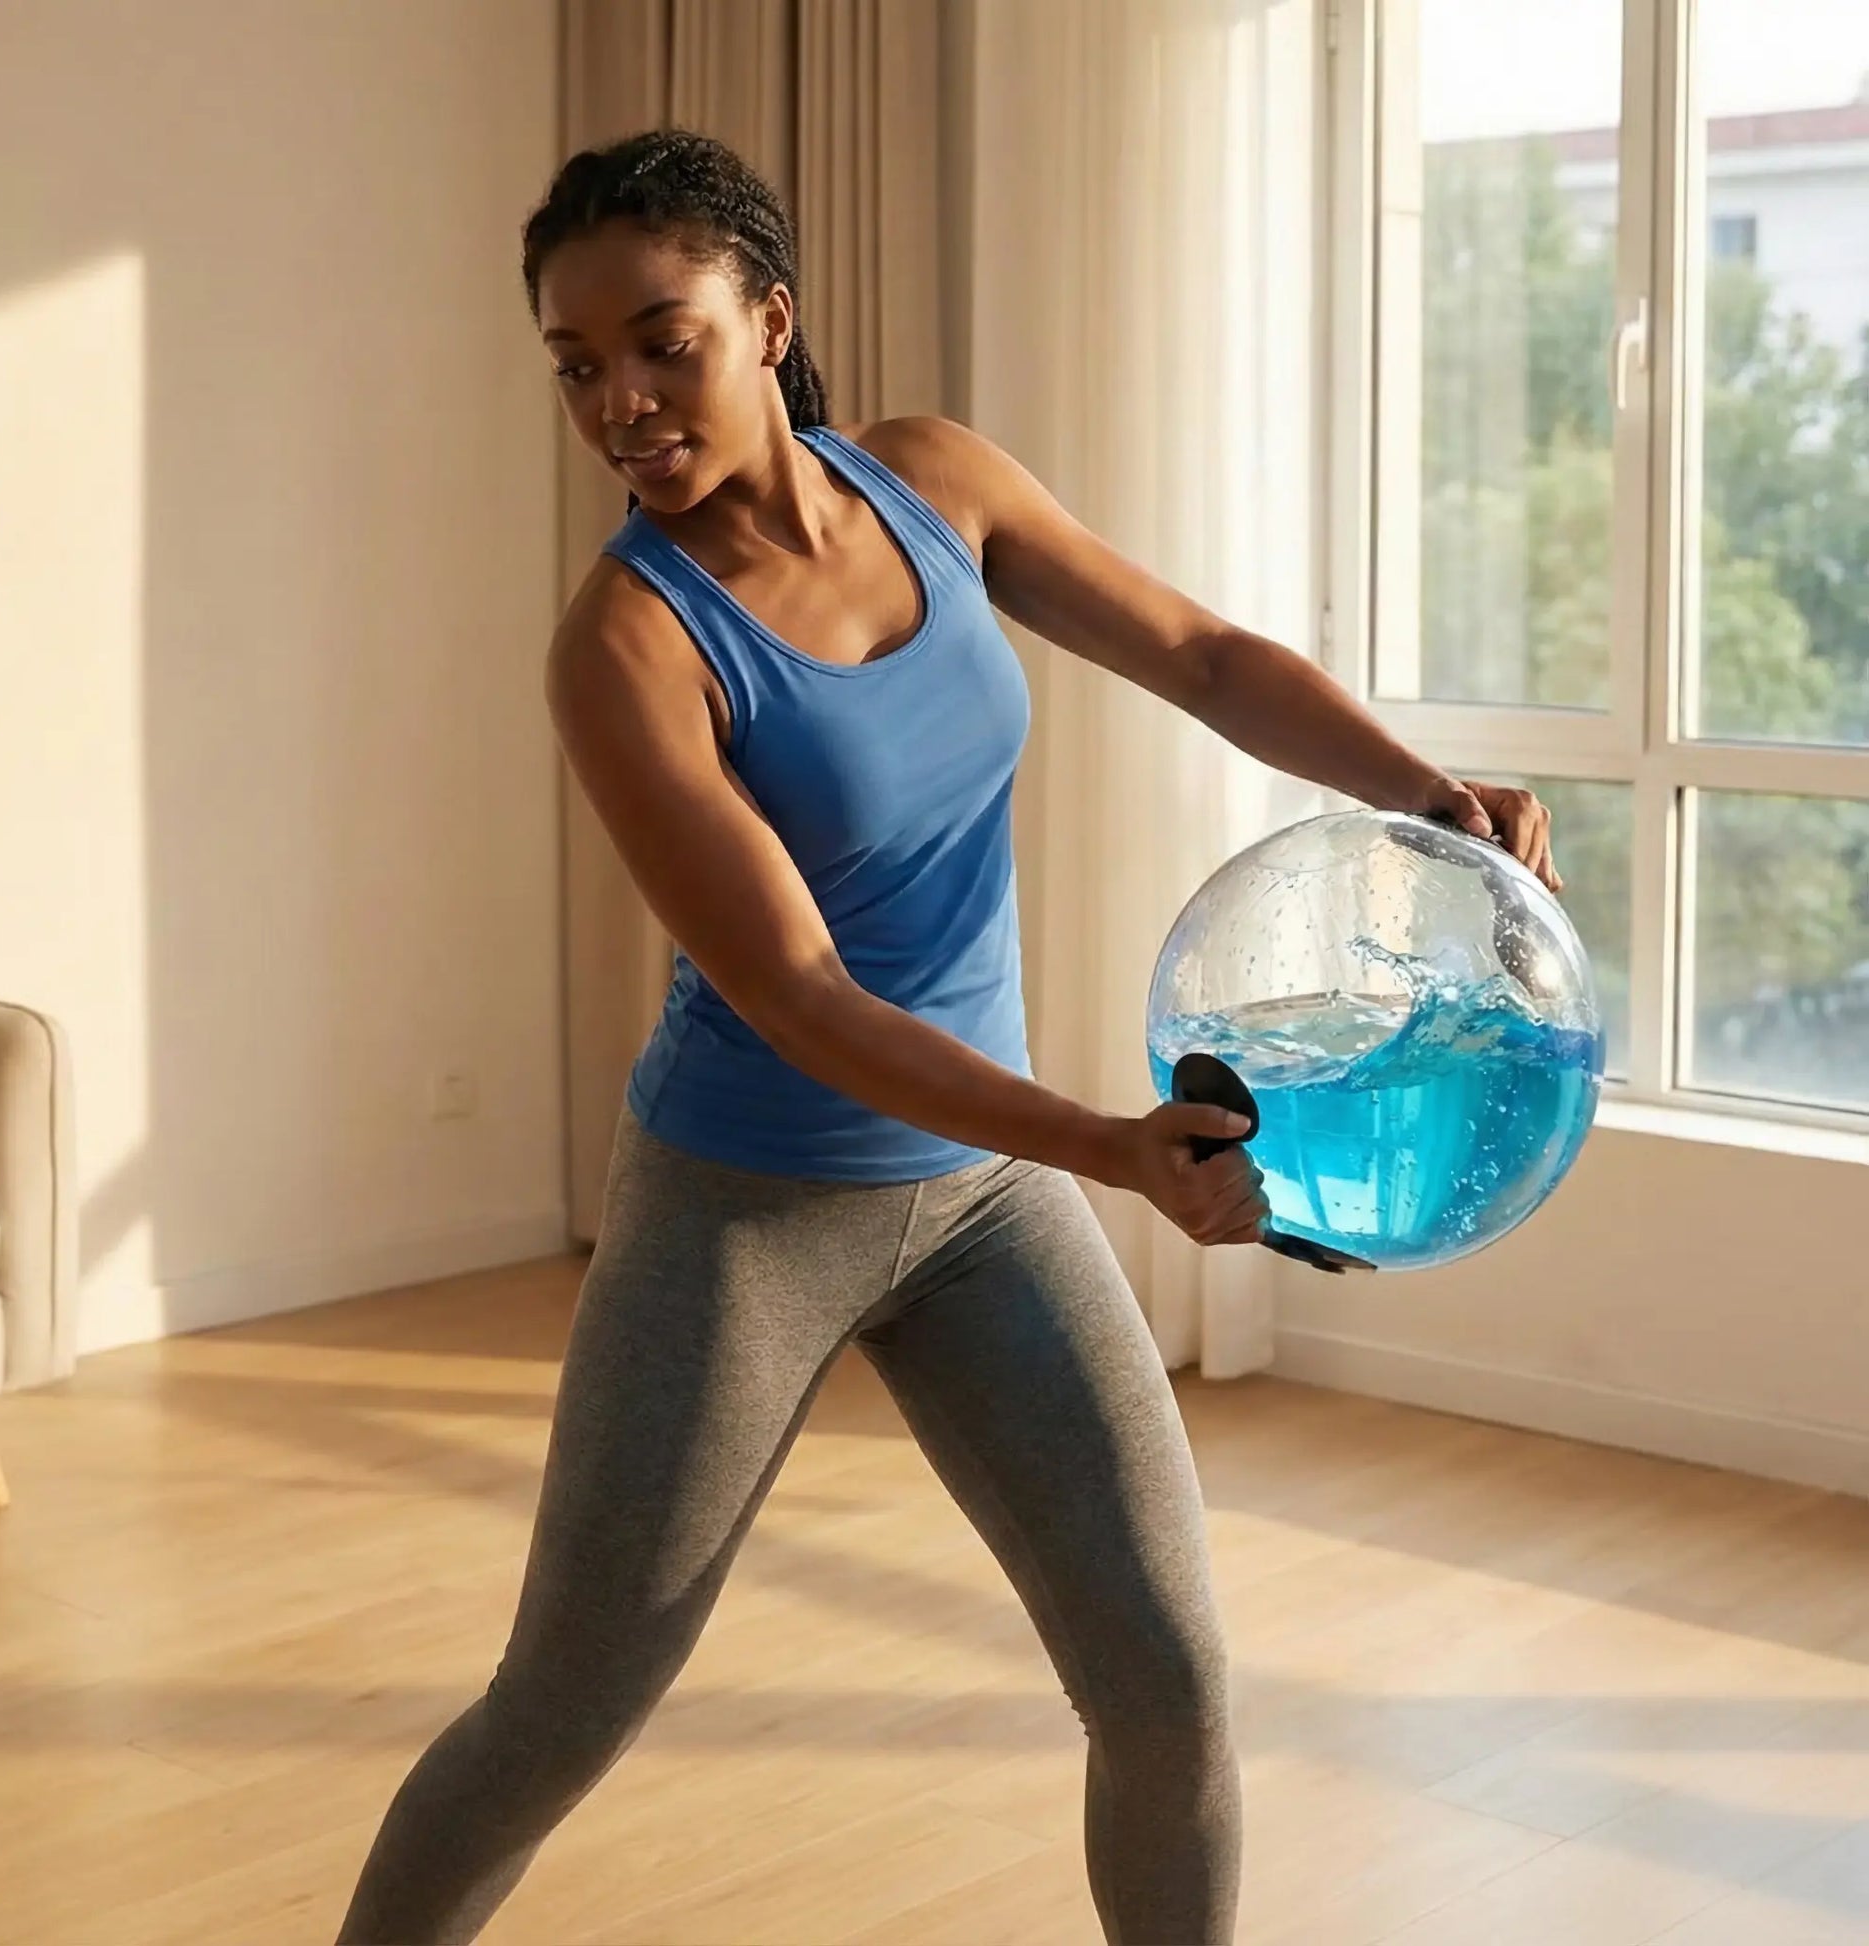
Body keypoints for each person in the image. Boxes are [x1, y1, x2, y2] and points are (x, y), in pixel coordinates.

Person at [334, 129, 1559, 1946]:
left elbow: (1201, 654)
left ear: (770, 319)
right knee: (563, 1706)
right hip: (747, 1209)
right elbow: (801, 993)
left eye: (662, 342)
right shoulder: (627, 647)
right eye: (576, 366)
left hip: (986, 1195)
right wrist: (1109, 1148)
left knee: (1166, 1682)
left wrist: (1420, 791)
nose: (619, 402)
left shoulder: (931, 482)